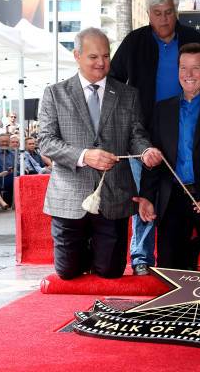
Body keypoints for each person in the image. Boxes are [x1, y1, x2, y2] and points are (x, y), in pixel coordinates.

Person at [38, 27, 162, 280]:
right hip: (69, 200)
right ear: (77, 55)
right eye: (94, 57)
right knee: (68, 273)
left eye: (106, 56)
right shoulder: (54, 93)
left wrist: (146, 150)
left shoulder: (128, 94)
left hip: (114, 198)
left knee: (110, 272)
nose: (101, 62)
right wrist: (84, 155)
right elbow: (46, 142)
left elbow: (136, 136)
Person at [110, 0, 200, 275]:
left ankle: (192, 248)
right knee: (146, 192)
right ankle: (142, 257)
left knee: (182, 190)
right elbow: (114, 81)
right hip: (144, 132)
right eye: (157, 13)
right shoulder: (134, 41)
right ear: (149, 14)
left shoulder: (192, 37)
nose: (164, 19)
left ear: (176, 12)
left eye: (169, 12)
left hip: (185, 126)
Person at [135, 43, 200, 270]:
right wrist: (146, 196)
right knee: (171, 271)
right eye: (183, 68)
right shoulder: (162, 110)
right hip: (172, 198)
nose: (189, 75)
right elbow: (155, 160)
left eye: (195, 68)